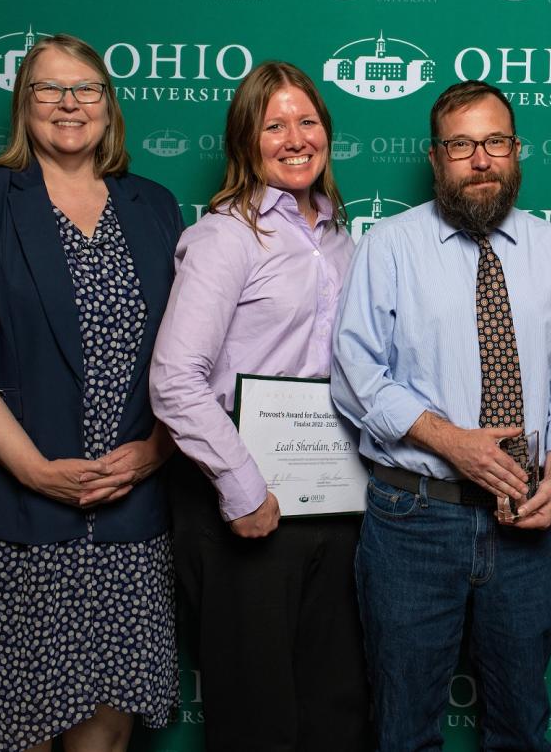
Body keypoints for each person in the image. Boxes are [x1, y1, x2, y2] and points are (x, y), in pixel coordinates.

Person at [0, 33, 182, 752]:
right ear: (23, 105)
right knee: (12, 730)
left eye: (86, 88)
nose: (69, 103)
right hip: (11, 514)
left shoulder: (153, 206)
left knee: (105, 731)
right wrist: (34, 469)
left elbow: (189, 360)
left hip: (126, 515)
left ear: (110, 106)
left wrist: (153, 453)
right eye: (48, 89)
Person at [331, 80, 551, 752]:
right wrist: (452, 442)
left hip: (527, 519)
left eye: (495, 143)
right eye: (461, 145)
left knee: (519, 727)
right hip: (415, 518)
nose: (480, 160)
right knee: (404, 729)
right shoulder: (388, 246)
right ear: (435, 157)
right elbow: (356, 373)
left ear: (517, 151)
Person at [150, 61, 370, 750]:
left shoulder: (341, 239)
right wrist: (242, 488)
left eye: (308, 121)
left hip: (330, 501)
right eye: (274, 125)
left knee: (336, 704)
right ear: (246, 139)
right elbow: (174, 378)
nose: (295, 137)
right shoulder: (226, 237)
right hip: (239, 502)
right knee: (256, 717)